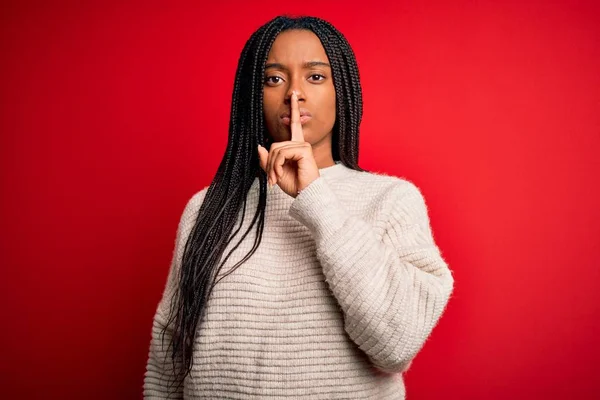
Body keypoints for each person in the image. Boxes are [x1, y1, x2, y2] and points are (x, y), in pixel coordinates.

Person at [143, 14, 454, 399]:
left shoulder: (391, 200)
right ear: (252, 96)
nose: (294, 94)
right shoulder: (206, 208)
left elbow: (395, 345)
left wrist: (316, 197)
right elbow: (169, 352)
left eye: (315, 77)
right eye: (274, 79)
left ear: (343, 90)